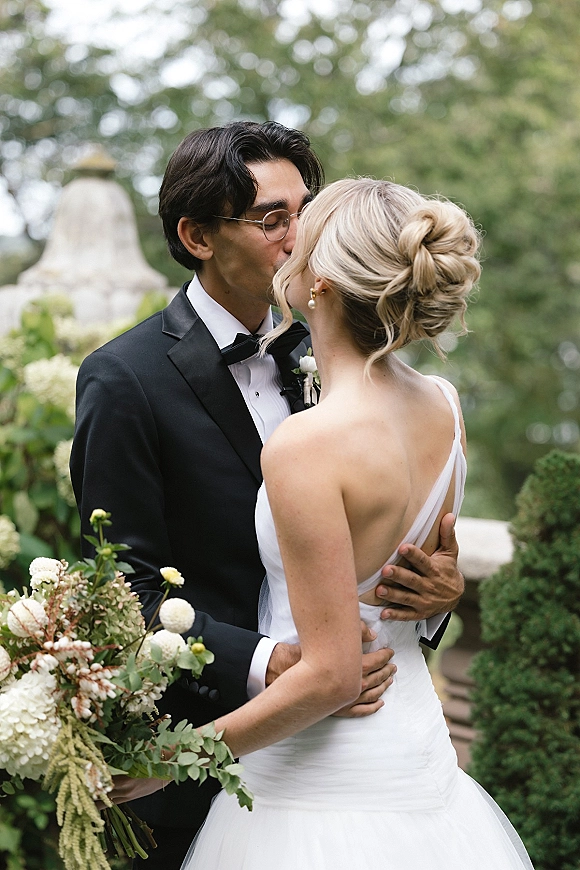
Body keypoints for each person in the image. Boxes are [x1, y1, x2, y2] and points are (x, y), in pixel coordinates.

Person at [70, 122, 464, 869]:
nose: (299, 235)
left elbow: (386, 537)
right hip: (205, 763)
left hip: (360, 749)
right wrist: (266, 661)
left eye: (306, 213)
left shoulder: (342, 357)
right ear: (197, 236)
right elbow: (124, 592)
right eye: (273, 218)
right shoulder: (125, 379)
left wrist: (439, 592)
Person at [180, 177, 534, 870]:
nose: (287, 245)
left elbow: (333, 675)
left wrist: (175, 759)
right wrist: (446, 593)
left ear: (322, 285)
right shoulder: (443, 403)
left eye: (301, 237)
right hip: (417, 759)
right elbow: (413, 577)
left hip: (315, 782)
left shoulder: (308, 444)